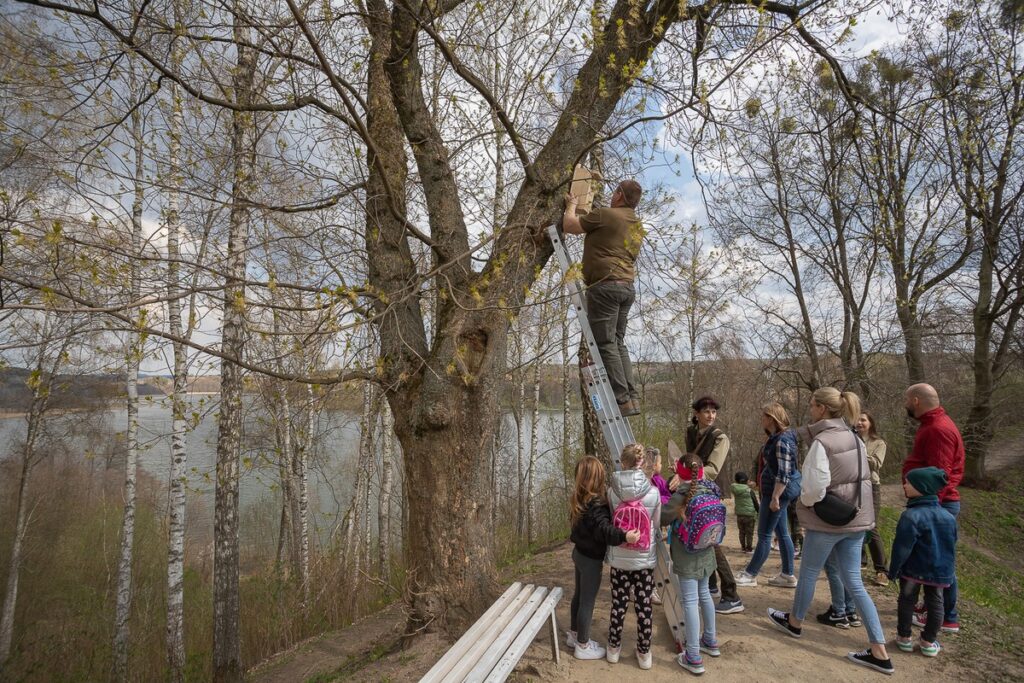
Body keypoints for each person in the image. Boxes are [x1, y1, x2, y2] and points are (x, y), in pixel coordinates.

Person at [766, 387, 894, 676]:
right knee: (855, 583)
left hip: (828, 522)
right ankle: (879, 651)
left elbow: (814, 488)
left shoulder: (822, 442)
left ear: (822, 409)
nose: (809, 410)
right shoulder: (856, 438)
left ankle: (795, 623)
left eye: (812, 405)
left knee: (809, 572)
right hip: (856, 519)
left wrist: (805, 503)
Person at [562, 180, 645, 416]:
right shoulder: (637, 226)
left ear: (619, 195)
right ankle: (631, 397)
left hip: (605, 287)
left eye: (614, 192)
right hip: (626, 288)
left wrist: (571, 205)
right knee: (618, 342)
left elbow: (569, 225)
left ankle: (621, 400)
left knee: (606, 343)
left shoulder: (607, 215)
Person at [902, 383, 965, 633]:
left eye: (907, 400)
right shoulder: (930, 425)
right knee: (930, 561)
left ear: (916, 400)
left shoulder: (938, 429)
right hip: (932, 504)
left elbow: (940, 475)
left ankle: (948, 616)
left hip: (939, 505)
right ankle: (931, 607)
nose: (905, 404)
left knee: (939, 563)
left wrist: (929, 510)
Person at [675, 395, 744, 614]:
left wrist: (686, 477)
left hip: (711, 491)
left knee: (710, 539)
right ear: (697, 414)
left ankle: (731, 594)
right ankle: (711, 584)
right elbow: (690, 460)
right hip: (695, 489)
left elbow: (713, 469)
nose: (711, 415)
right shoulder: (691, 432)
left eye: (714, 412)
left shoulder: (720, 437)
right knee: (699, 537)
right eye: (706, 411)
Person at [568, 455, 640, 660]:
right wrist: (625, 536)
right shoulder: (597, 504)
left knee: (579, 596)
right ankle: (582, 645)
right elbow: (604, 529)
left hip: (579, 554)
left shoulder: (579, 498)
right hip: (591, 559)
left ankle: (574, 635)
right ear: (597, 478)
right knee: (587, 601)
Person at [661, 454, 722, 675]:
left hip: (687, 553)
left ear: (681, 473)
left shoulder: (683, 494)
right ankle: (710, 640)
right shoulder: (711, 488)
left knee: (690, 601)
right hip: (707, 550)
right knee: (704, 594)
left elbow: (663, 518)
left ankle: (693, 655)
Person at [889, 467, 957, 658]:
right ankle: (928, 642)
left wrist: (893, 570)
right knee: (936, 602)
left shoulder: (911, 516)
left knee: (907, 600)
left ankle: (904, 637)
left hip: (913, 570)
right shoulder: (949, 517)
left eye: (909, 483)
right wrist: (948, 572)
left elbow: (901, 548)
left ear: (922, 487)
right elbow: (952, 544)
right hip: (939, 571)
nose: (904, 485)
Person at [606, 444, 661, 668]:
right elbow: (655, 525)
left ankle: (613, 649)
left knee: (618, 604)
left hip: (619, 559)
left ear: (623, 462)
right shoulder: (654, 492)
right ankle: (644, 653)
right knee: (643, 606)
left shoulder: (612, 491)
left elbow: (612, 520)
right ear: (642, 463)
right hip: (644, 560)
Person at [735, 402, 801, 588]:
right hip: (775, 491)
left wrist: (775, 497)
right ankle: (787, 575)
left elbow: (784, 472)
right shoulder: (779, 437)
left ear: (772, 419)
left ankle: (750, 574)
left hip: (776, 492)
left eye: (764, 416)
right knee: (782, 532)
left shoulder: (782, 440)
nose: (761, 419)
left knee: (764, 533)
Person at [858, 411, 889, 586]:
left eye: (863, 420)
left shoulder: (879, 443)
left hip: (871, 486)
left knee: (872, 526)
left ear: (870, 423)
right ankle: (860, 562)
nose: (859, 422)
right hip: (854, 486)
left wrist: (860, 450)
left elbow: (876, 464)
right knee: (855, 522)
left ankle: (882, 570)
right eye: (858, 420)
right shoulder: (851, 439)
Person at [731, 472, 758, 553]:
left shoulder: (735, 490)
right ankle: (749, 548)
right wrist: (759, 511)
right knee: (749, 532)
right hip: (749, 515)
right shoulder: (749, 491)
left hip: (740, 514)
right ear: (746, 481)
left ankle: (743, 547)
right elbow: (755, 503)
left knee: (741, 532)